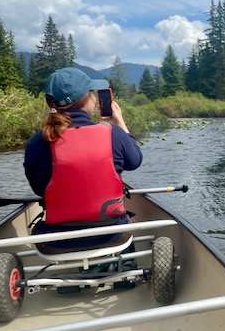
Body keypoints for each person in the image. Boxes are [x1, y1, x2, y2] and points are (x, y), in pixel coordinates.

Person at [24, 67, 143, 250]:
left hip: (57, 239)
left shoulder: (36, 143)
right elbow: (135, 161)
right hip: (112, 233)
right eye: (92, 93)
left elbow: (39, 189)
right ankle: (123, 274)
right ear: (87, 99)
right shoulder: (114, 134)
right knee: (128, 221)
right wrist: (120, 122)